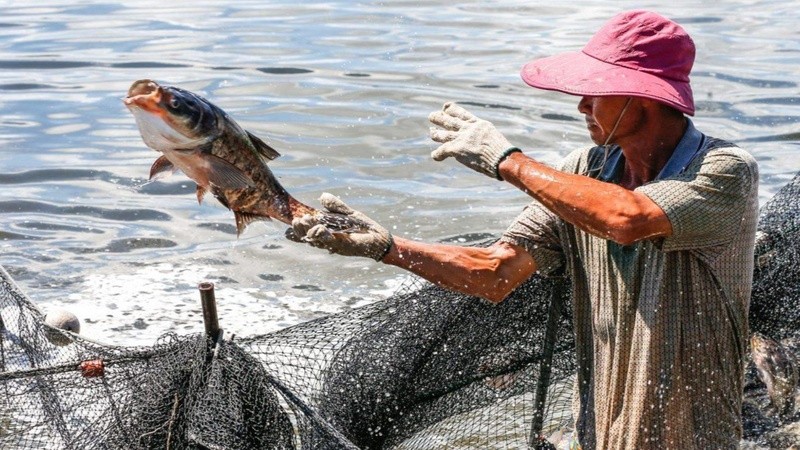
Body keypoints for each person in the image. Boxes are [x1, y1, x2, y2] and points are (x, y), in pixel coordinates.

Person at [288, 10, 759, 450]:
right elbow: (494, 272)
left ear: (643, 97)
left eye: (597, 90)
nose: (582, 105)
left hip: (692, 432)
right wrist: (387, 247)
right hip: (598, 427)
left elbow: (628, 219)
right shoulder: (585, 171)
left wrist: (506, 161)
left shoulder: (723, 171)